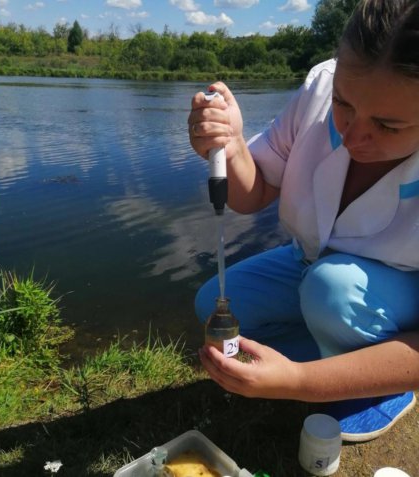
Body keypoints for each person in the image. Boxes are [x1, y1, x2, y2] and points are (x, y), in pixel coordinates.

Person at [188, 0, 419, 443]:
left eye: (388, 126)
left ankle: (384, 390)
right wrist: (232, 145)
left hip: (380, 290)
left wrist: (296, 383)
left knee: (332, 291)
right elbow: (252, 194)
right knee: (216, 305)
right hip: (309, 263)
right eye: (343, 104)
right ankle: (343, 361)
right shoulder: (319, 86)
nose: (352, 137)